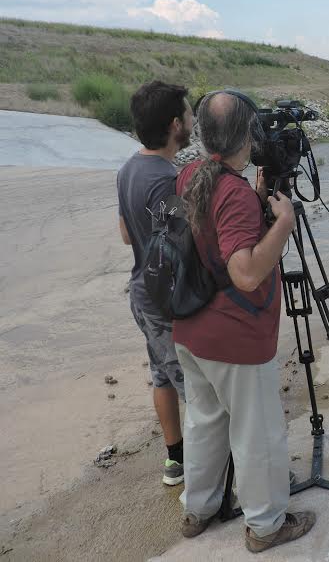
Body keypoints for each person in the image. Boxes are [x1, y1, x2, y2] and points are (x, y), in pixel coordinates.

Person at [173, 91, 315, 552]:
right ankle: (267, 525)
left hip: (191, 329)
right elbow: (248, 273)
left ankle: (198, 509)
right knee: (257, 434)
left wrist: (254, 202)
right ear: (249, 135)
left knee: (204, 423)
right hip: (234, 335)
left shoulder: (193, 172)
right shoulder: (232, 192)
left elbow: (212, 233)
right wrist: (283, 223)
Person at [118, 80, 192, 486]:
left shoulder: (129, 167)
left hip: (140, 292)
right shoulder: (166, 179)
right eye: (189, 114)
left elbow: (127, 234)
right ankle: (208, 470)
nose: (193, 120)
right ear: (175, 124)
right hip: (164, 300)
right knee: (192, 386)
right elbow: (188, 233)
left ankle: (175, 460)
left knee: (162, 375)